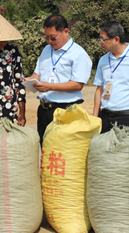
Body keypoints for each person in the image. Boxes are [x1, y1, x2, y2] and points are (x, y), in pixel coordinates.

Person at [27, 14, 92, 143]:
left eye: (53, 38)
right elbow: (37, 73)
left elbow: (77, 85)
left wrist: (50, 87)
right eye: (47, 38)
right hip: (44, 110)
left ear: (66, 31)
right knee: (46, 151)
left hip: (66, 110)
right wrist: (31, 80)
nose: (50, 41)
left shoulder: (78, 53)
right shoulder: (46, 50)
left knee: (64, 152)